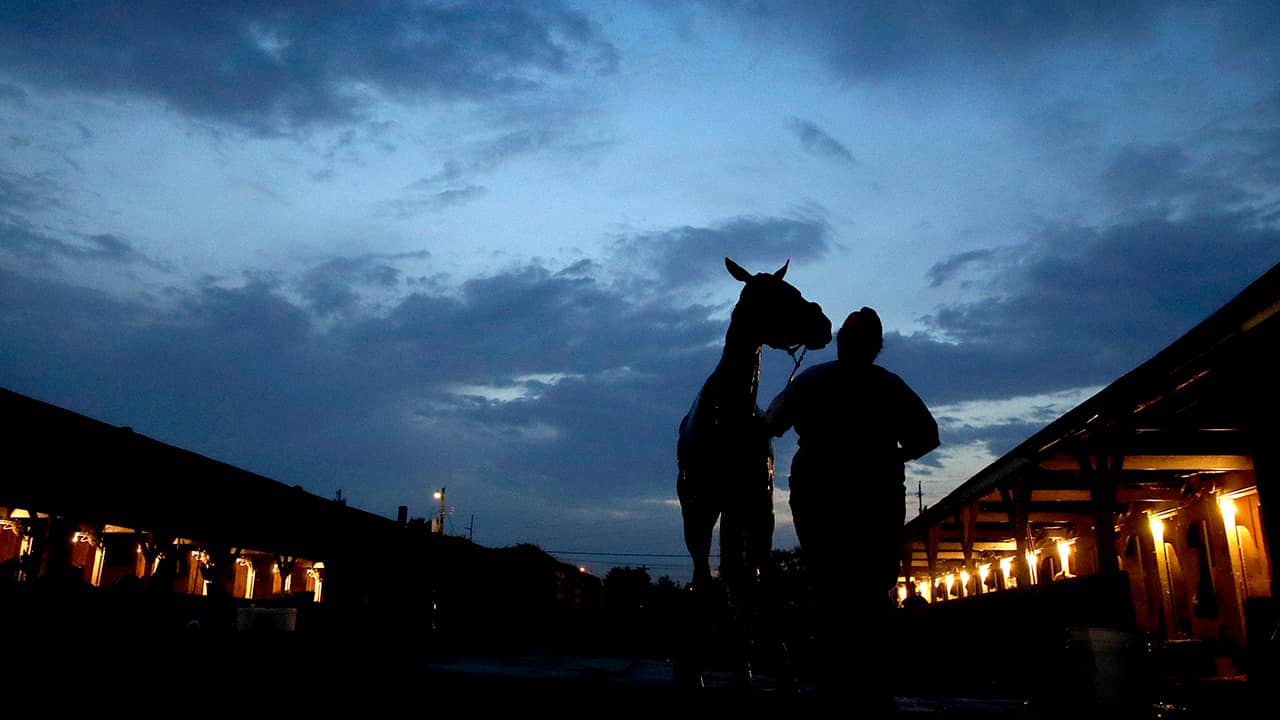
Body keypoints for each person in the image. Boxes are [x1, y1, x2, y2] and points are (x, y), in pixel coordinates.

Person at [763, 306, 939, 704]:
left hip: (819, 496)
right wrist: (894, 457)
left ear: (841, 343)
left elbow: (771, 423)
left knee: (828, 586)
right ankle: (871, 684)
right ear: (876, 348)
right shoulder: (890, 386)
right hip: (876, 500)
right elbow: (928, 436)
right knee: (872, 590)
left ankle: (835, 680)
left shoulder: (810, 381)